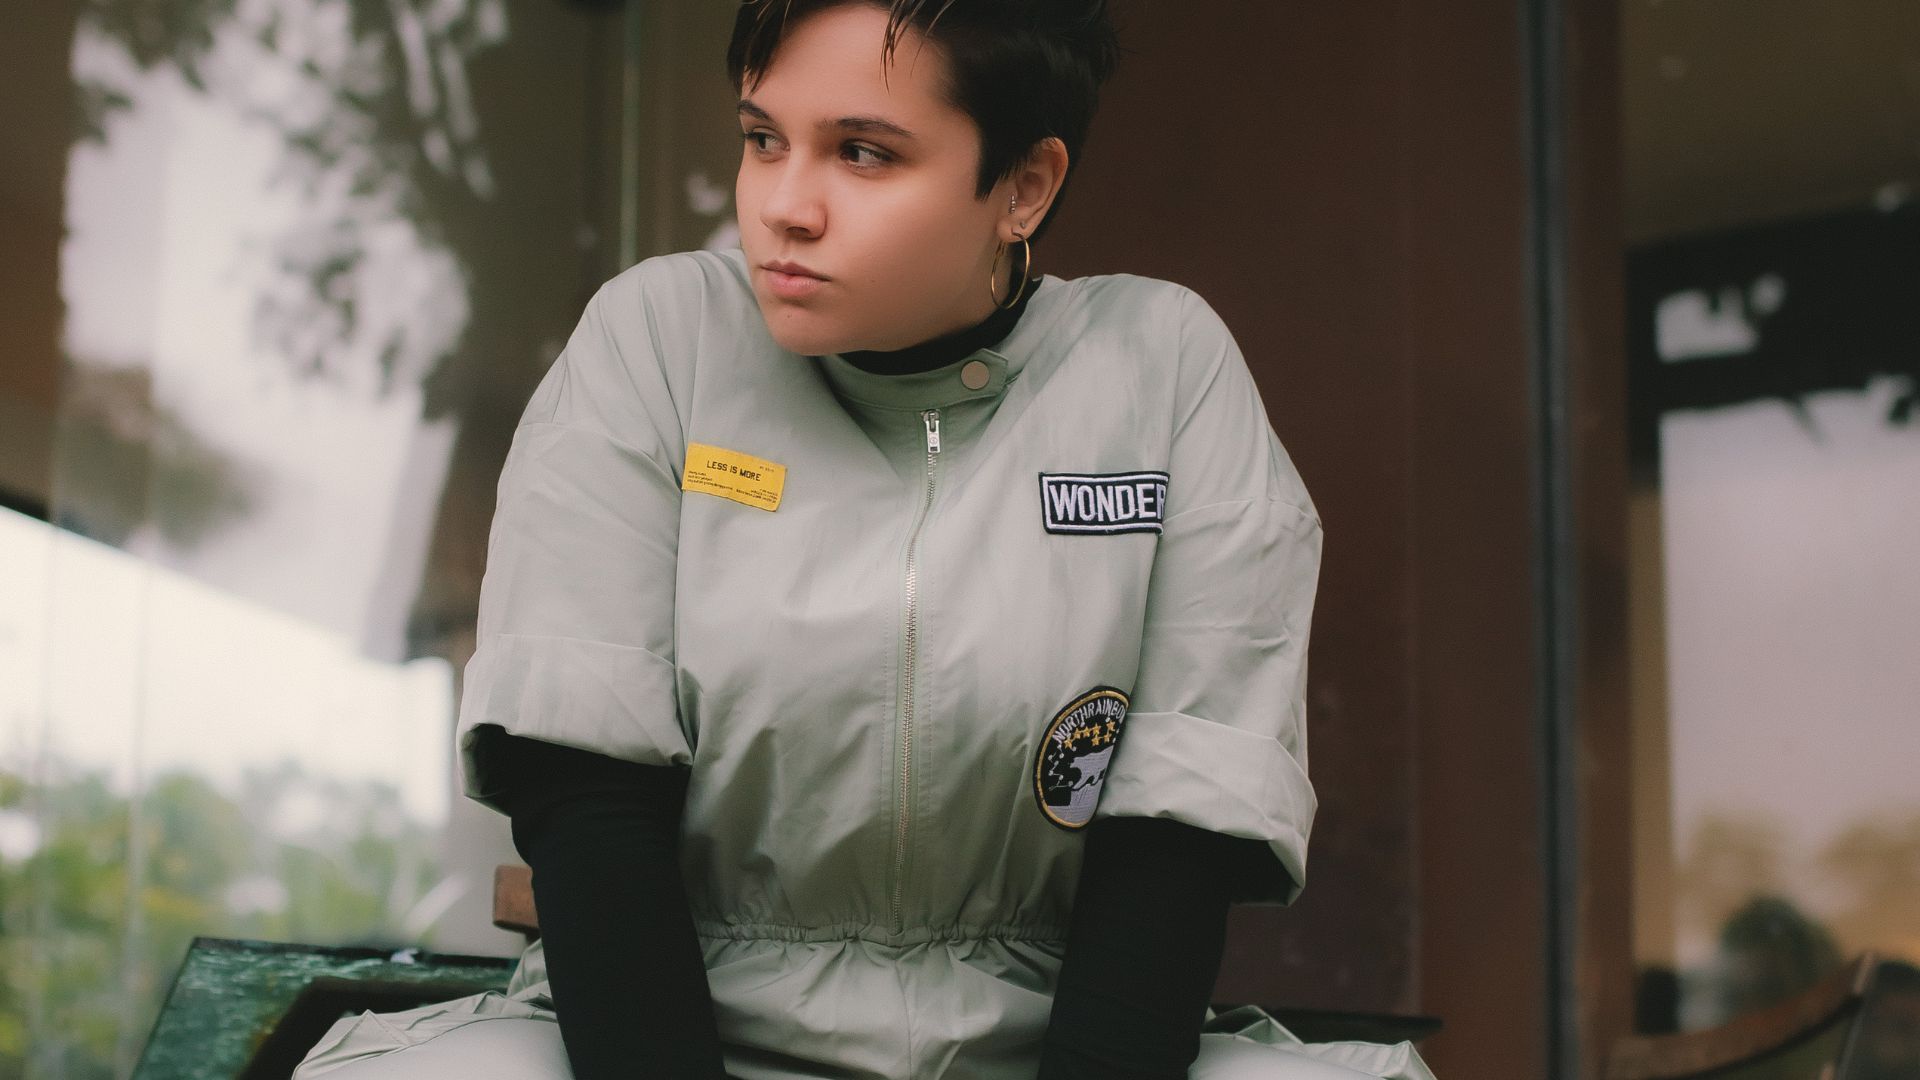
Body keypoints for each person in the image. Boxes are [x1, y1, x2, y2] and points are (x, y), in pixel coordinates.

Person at [291, 1, 1437, 1078]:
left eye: (864, 153)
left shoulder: (1164, 370)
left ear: (1023, 186)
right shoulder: (659, 343)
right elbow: (583, 792)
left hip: (1045, 1042)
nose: (786, 203)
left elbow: (1179, 839)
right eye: (762, 139)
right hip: (677, 1025)